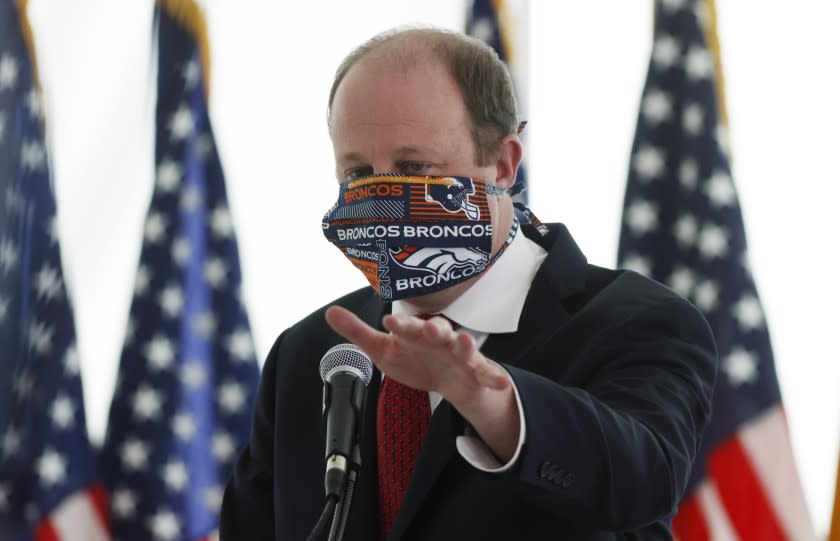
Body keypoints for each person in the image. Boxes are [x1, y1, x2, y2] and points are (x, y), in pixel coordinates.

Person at [220, 27, 716, 540]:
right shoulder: (311, 354)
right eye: (359, 172)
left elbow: (644, 480)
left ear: (502, 165)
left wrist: (492, 402)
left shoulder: (636, 321)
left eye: (414, 166)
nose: (381, 194)